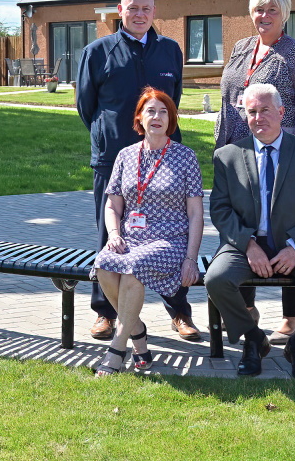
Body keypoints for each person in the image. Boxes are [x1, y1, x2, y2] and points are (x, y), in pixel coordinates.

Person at [76, 0, 201, 343]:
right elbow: (87, 107)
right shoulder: (97, 52)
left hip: (164, 160)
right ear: (121, 10)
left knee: (171, 232)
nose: (140, 14)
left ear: (154, 12)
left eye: (146, 8)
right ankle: (105, 312)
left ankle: (179, 311)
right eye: (133, 8)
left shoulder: (169, 51)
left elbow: (170, 101)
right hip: (115, 160)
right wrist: (111, 137)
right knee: (110, 233)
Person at [205, 83, 295, 382]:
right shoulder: (228, 156)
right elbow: (220, 210)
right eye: (252, 112)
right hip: (245, 245)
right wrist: (248, 245)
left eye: (265, 110)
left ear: (281, 112)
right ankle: (254, 339)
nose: (258, 118)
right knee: (216, 279)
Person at [213, 0, 295, 345]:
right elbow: (229, 98)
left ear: (285, 15)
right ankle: (246, 311)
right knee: (243, 229)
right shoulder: (241, 48)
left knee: (285, 228)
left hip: (285, 159)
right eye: (259, 10)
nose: (264, 16)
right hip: (239, 155)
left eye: (271, 11)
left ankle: (292, 319)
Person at [90, 88, 204, 376]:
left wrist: (191, 259)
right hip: (130, 239)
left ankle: (118, 348)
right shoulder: (126, 156)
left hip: (170, 241)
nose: (157, 117)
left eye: (164, 112)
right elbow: (112, 205)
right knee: (103, 265)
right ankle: (138, 331)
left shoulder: (185, 157)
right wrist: (114, 234)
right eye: (151, 111)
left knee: (132, 269)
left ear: (171, 119)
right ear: (139, 117)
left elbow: (196, 213)